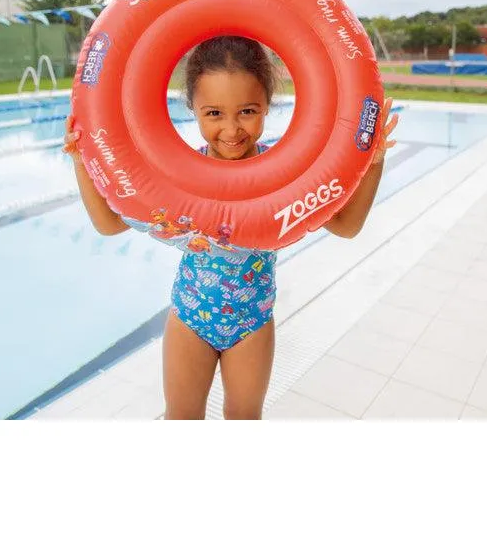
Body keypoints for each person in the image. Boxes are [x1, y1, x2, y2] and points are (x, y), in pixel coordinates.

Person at [63, 35, 399, 420]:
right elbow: (108, 224)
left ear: (268, 106)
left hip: (252, 323)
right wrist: (81, 159)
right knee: (182, 418)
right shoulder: (176, 175)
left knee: (244, 419)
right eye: (214, 113)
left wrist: (374, 161)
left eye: (247, 111)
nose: (231, 129)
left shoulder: (286, 175)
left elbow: (347, 226)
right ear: (192, 108)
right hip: (190, 318)